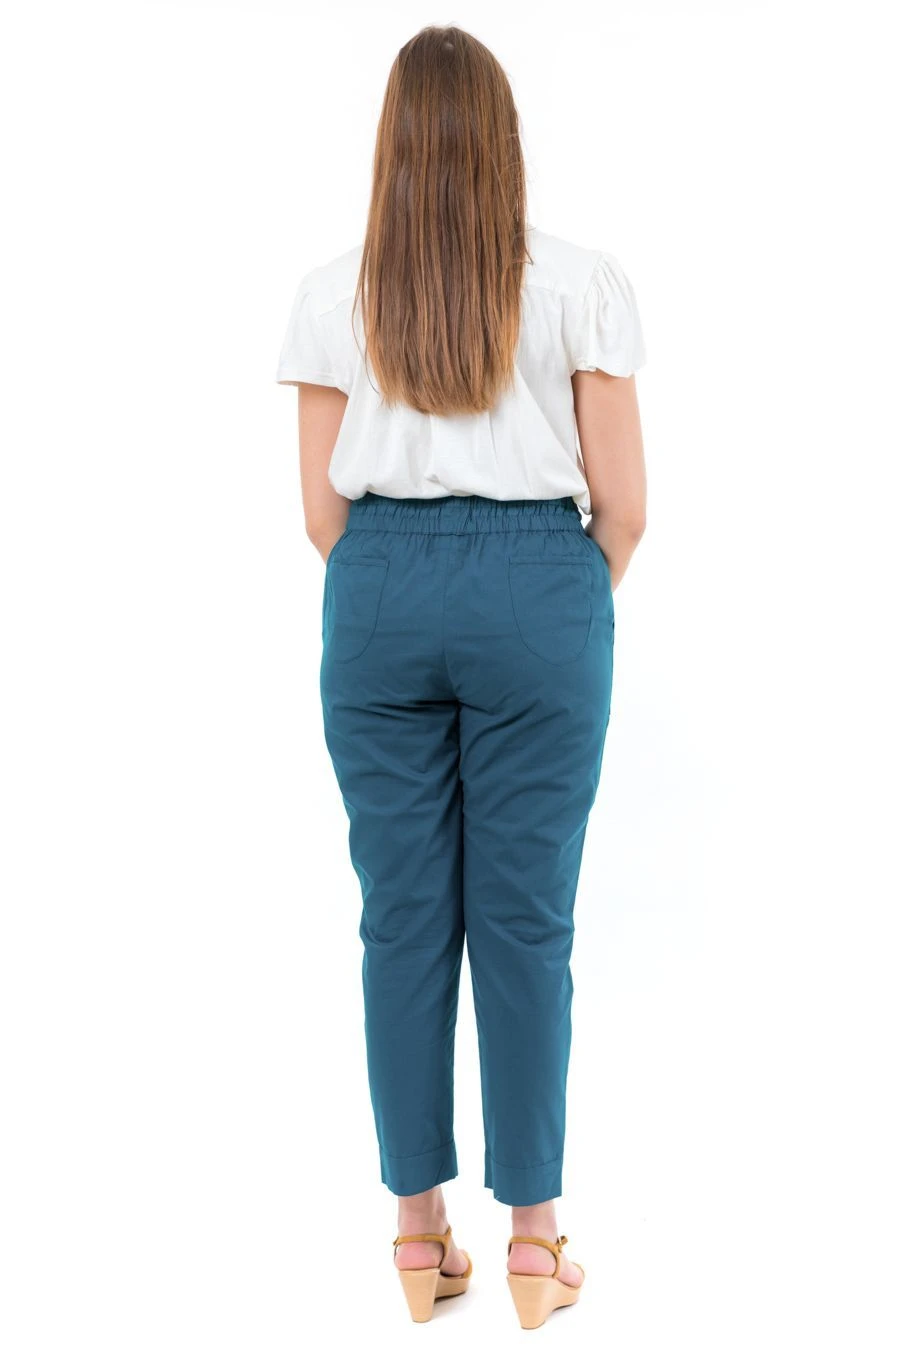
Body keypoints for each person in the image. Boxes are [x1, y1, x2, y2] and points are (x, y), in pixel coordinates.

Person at [275, 23, 647, 1330]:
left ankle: (418, 1234)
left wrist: (405, 585)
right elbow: (626, 506)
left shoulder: (333, 294)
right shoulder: (581, 283)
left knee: (401, 921)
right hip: (539, 588)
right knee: (527, 923)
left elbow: (321, 514)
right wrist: (550, 610)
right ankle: (535, 1244)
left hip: (379, 589)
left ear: (393, 142)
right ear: (504, 141)